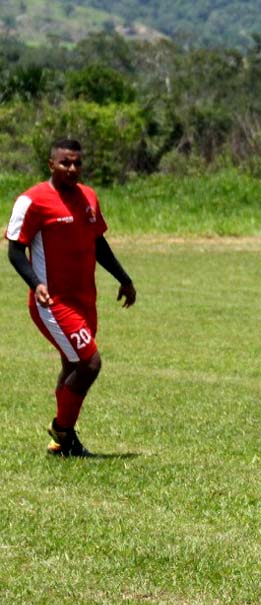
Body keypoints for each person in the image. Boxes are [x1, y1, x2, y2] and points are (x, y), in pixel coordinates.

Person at [6, 138, 137, 457]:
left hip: (84, 299)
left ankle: (61, 443)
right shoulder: (32, 201)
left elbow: (98, 244)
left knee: (73, 364)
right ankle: (62, 430)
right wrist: (35, 283)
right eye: (66, 162)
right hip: (53, 303)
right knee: (90, 363)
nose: (73, 168)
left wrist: (123, 278)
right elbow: (14, 250)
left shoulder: (88, 197)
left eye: (78, 163)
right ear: (52, 165)